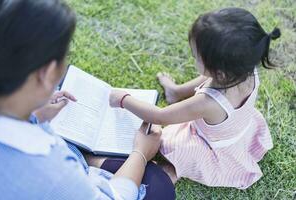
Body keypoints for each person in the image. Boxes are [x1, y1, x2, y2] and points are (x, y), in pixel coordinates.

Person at [0, 0, 175, 199]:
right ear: (45, 73)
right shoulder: (55, 172)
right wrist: (140, 154)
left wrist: (36, 116)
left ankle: (92, 158)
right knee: (160, 188)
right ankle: (92, 159)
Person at [109, 7, 281, 189]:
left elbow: (160, 116)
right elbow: (209, 78)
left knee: (171, 144)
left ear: (220, 73)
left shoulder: (209, 103)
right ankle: (175, 92)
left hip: (209, 148)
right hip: (238, 132)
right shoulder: (244, 70)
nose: (193, 59)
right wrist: (179, 90)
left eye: (195, 56)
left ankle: (172, 171)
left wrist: (123, 99)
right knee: (190, 92)